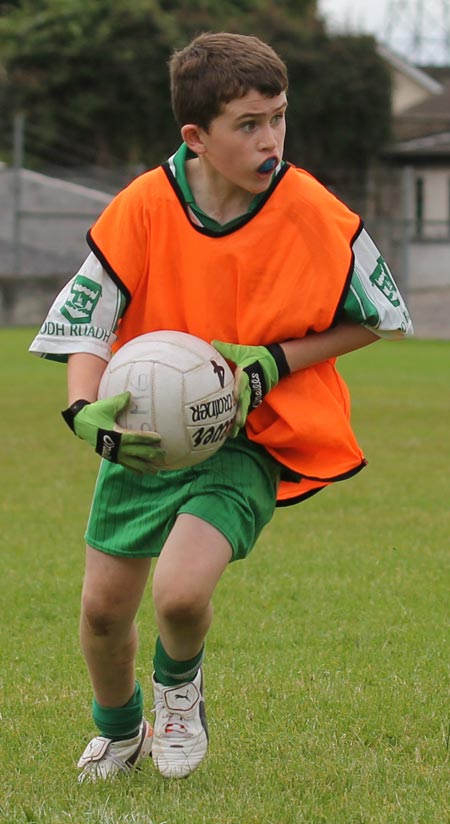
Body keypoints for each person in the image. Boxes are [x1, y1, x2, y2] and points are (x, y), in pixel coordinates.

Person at [30, 31, 413, 783]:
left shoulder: (310, 209)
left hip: (248, 432)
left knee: (178, 594)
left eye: (279, 117)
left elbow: (378, 314)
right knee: (104, 611)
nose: (270, 137)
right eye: (249, 124)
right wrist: (83, 410)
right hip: (145, 435)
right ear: (196, 137)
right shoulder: (144, 204)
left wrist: (273, 362)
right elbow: (88, 320)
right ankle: (119, 733)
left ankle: (180, 691)